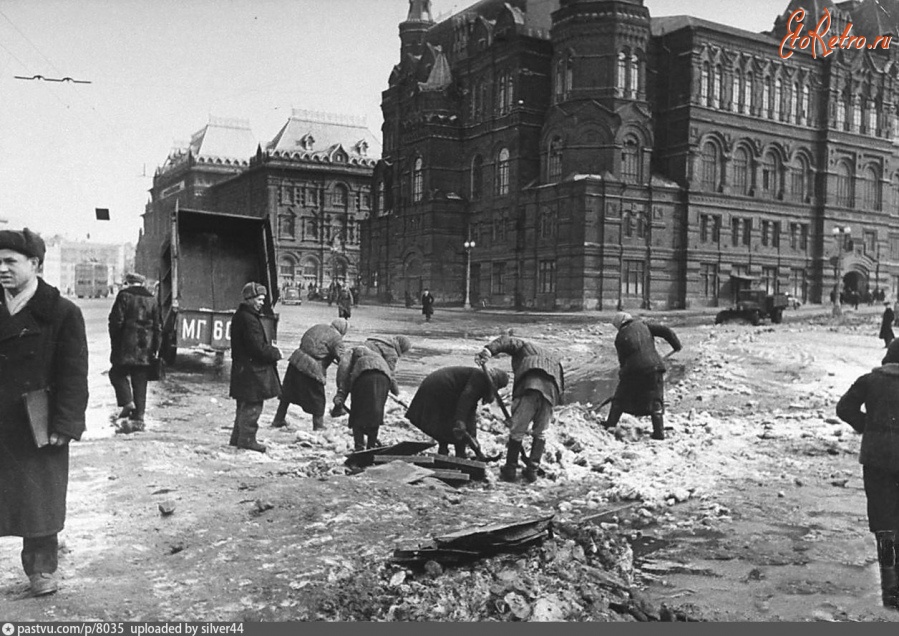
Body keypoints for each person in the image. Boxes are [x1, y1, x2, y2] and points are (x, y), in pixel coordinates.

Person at [0, 228, 88, 596]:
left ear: (35, 264)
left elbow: (73, 373)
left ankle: (41, 571)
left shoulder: (62, 312)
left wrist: (66, 422)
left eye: (10, 261)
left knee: (39, 500)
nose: (1, 268)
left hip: (37, 420)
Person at [836, 343, 899, 610]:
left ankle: (891, 592)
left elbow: (843, 408)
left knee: (885, 526)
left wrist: (868, 427)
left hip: (876, 461)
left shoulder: (870, 380)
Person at [475, 333, 564, 483]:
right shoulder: (555, 359)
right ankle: (532, 470)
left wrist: (488, 351)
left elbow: (506, 341)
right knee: (541, 433)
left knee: (517, 431)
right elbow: (562, 386)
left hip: (529, 388)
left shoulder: (524, 346)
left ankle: (510, 469)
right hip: (551, 394)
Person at [602, 312, 682, 441]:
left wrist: (623, 376)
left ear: (619, 324)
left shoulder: (620, 337)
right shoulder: (644, 325)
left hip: (633, 370)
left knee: (620, 398)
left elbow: (623, 362)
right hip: (655, 367)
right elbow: (666, 331)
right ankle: (659, 432)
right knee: (656, 399)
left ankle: (610, 424)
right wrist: (676, 345)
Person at [405, 365, 509, 459]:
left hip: (439, 385)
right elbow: (466, 400)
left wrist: (473, 434)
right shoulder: (480, 378)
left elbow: (471, 409)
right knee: (452, 422)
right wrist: (461, 422)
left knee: (448, 423)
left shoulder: (480, 379)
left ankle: (445, 451)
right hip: (441, 387)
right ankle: (458, 454)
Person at [334, 335, 412, 452]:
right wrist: (397, 393)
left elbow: (344, 376)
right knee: (376, 410)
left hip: (363, 377)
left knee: (357, 412)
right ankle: (371, 446)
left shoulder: (350, 355)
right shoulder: (379, 356)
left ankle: (359, 447)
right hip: (384, 378)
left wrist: (340, 395)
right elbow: (391, 376)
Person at [228, 282, 281, 453]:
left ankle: (237, 438)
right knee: (252, 405)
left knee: (243, 405)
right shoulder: (249, 319)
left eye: (263, 299)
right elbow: (257, 348)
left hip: (242, 369)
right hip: (252, 372)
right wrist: (275, 353)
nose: (261, 302)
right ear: (250, 299)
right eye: (259, 299)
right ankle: (247, 439)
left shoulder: (242, 315)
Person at [271, 318, 347, 431]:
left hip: (296, 359)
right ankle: (318, 426)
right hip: (313, 367)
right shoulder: (337, 339)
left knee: (287, 393)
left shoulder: (318, 326)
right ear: (343, 330)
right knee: (317, 398)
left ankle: (278, 419)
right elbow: (343, 360)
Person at [108, 272, 161, 432]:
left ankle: (127, 401)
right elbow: (158, 326)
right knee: (140, 380)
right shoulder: (152, 299)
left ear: (129, 282)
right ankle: (139, 416)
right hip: (146, 347)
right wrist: (156, 348)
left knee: (116, 374)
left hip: (126, 345)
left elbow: (115, 321)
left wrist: (116, 340)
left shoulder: (124, 296)